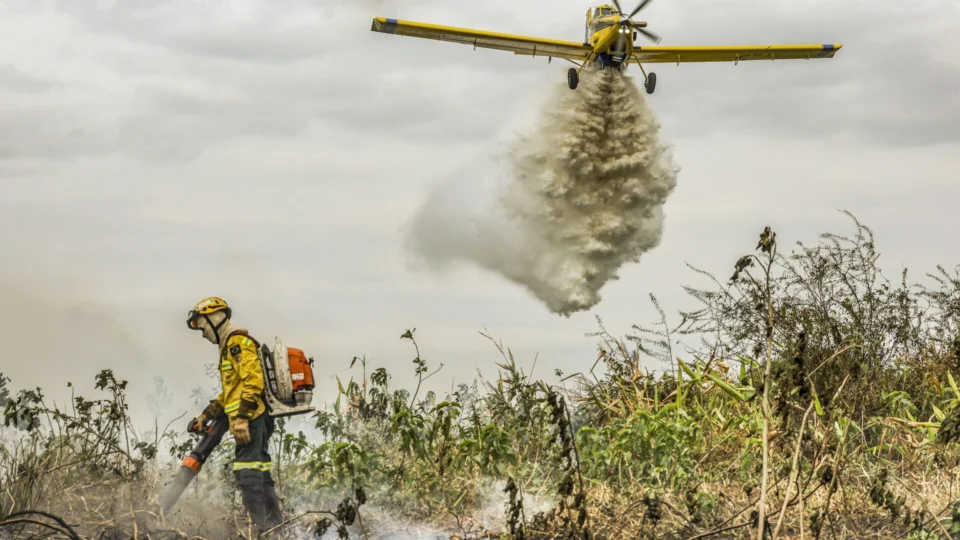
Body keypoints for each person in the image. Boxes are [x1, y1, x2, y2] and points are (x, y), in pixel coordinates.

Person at [186, 297, 282, 531]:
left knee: (247, 472)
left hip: (252, 418)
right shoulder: (229, 345)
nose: (203, 334)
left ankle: (260, 530)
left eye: (203, 326)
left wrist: (241, 419)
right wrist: (206, 415)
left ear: (215, 318)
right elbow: (231, 392)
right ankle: (275, 527)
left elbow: (253, 381)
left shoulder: (236, 342)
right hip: (253, 417)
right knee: (259, 472)